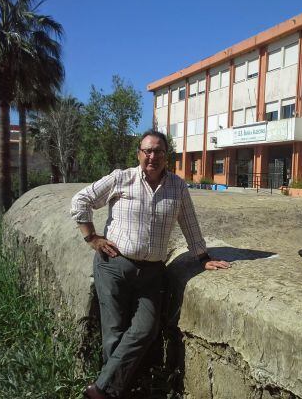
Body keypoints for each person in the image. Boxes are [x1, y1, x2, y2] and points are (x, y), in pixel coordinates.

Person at [71, 130, 230, 399]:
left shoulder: (177, 187)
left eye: (158, 151)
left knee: (146, 328)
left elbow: (189, 223)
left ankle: (101, 390)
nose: (152, 156)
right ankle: (118, 391)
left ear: (166, 156)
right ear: (139, 154)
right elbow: (81, 200)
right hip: (114, 265)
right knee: (114, 333)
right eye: (147, 151)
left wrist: (203, 257)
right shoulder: (122, 178)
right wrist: (92, 237)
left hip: (153, 272)